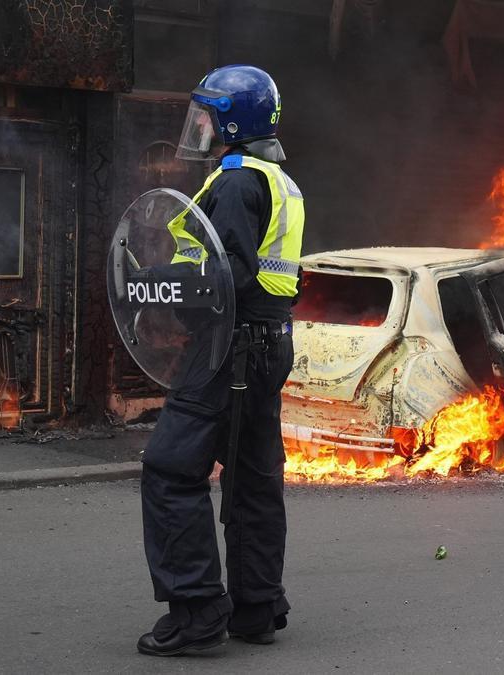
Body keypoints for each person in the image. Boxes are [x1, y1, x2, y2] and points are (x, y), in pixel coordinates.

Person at [136, 64, 305, 657]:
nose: (199, 124)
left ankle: (197, 613)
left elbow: (228, 273)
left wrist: (158, 282)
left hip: (225, 348)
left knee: (170, 469)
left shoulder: (234, 180)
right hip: (267, 344)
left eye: (207, 113)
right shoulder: (276, 179)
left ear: (232, 120)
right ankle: (257, 608)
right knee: (254, 477)